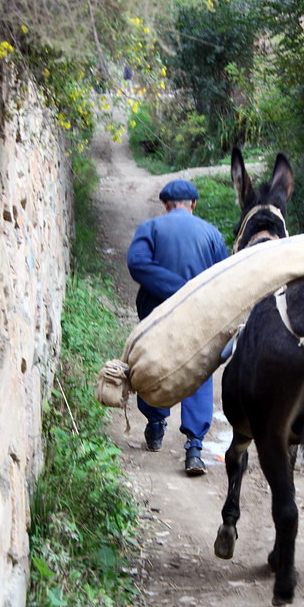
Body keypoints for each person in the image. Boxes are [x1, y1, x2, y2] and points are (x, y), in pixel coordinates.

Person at [127, 179, 228, 475]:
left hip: (157, 311)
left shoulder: (150, 229)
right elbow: (223, 275)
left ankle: (156, 425)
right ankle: (195, 447)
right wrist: (191, 291)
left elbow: (137, 264)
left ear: (165, 204)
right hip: (198, 313)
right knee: (198, 369)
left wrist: (172, 289)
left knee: (156, 363)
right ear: (193, 204)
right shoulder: (211, 233)